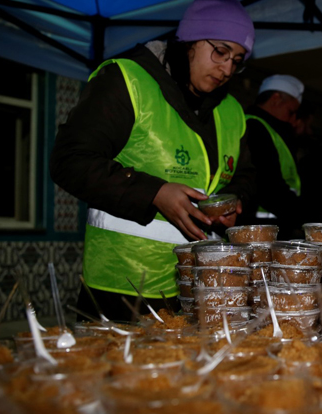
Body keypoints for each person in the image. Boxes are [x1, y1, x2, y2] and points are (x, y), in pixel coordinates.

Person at [50, 0, 256, 320]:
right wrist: (154, 192)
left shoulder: (231, 111)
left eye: (237, 61)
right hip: (125, 289)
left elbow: (245, 175)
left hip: (202, 287)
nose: (227, 69)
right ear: (189, 42)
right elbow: (70, 160)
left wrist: (234, 201)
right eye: (220, 52)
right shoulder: (127, 80)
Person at [243, 74, 308, 239]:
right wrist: (310, 219)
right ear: (276, 99)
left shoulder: (270, 130)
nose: (292, 120)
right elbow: (268, 186)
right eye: (290, 112)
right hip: (260, 233)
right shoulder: (255, 128)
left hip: (270, 230)